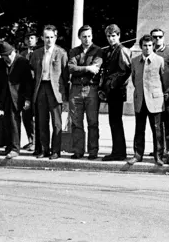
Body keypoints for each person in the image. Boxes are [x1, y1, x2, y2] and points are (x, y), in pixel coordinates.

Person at [29, 25, 68, 159]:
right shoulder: (36, 53)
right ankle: (44, 149)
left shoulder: (61, 53)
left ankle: (56, 151)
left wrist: (65, 96)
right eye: (46, 37)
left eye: (52, 37)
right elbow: (33, 72)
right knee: (42, 121)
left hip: (55, 90)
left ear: (55, 38)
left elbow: (65, 75)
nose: (49, 40)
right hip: (41, 88)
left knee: (56, 122)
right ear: (42, 38)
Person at [129, 35, 168, 166]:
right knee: (139, 129)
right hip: (140, 99)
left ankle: (158, 156)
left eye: (150, 45)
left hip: (155, 100)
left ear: (153, 46)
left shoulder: (160, 60)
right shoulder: (134, 61)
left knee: (157, 129)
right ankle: (137, 155)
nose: (147, 48)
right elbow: (134, 79)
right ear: (141, 47)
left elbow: (165, 81)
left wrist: (160, 94)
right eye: (145, 45)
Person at [67, 25, 103, 160]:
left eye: (89, 36)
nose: (87, 39)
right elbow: (71, 67)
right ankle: (78, 150)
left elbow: (96, 68)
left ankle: (93, 151)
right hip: (76, 89)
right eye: (84, 36)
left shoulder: (98, 51)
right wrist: (87, 68)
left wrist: (81, 68)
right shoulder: (74, 51)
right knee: (76, 121)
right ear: (79, 38)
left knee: (92, 122)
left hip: (91, 89)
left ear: (92, 36)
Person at [0, 42, 33, 158]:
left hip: (18, 96)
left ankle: (15, 148)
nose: (6, 59)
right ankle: (9, 146)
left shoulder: (22, 62)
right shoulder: (0, 63)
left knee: (14, 121)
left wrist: (27, 99)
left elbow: (28, 83)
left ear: (13, 52)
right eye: (3, 57)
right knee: (6, 122)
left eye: (7, 56)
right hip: (5, 96)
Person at [98, 24, 132, 161]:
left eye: (113, 36)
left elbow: (126, 71)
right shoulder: (110, 51)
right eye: (109, 36)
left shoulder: (122, 50)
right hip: (111, 90)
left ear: (119, 36)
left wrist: (113, 83)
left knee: (116, 121)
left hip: (117, 90)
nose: (111, 39)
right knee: (113, 121)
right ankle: (117, 150)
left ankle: (119, 152)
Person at [150, 28, 169, 159]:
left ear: (164, 37)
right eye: (154, 37)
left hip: (168, 92)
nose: (157, 39)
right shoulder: (149, 52)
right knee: (157, 123)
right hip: (154, 93)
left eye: (160, 37)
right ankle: (158, 149)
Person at [18, 32, 38, 150]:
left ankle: (37, 142)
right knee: (26, 116)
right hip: (25, 89)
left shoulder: (40, 52)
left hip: (37, 87)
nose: (30, 40)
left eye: (32, 38)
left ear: (36, 39)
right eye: (27, 38)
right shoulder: (22, 54)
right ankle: (31, 140)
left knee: (37, 117)